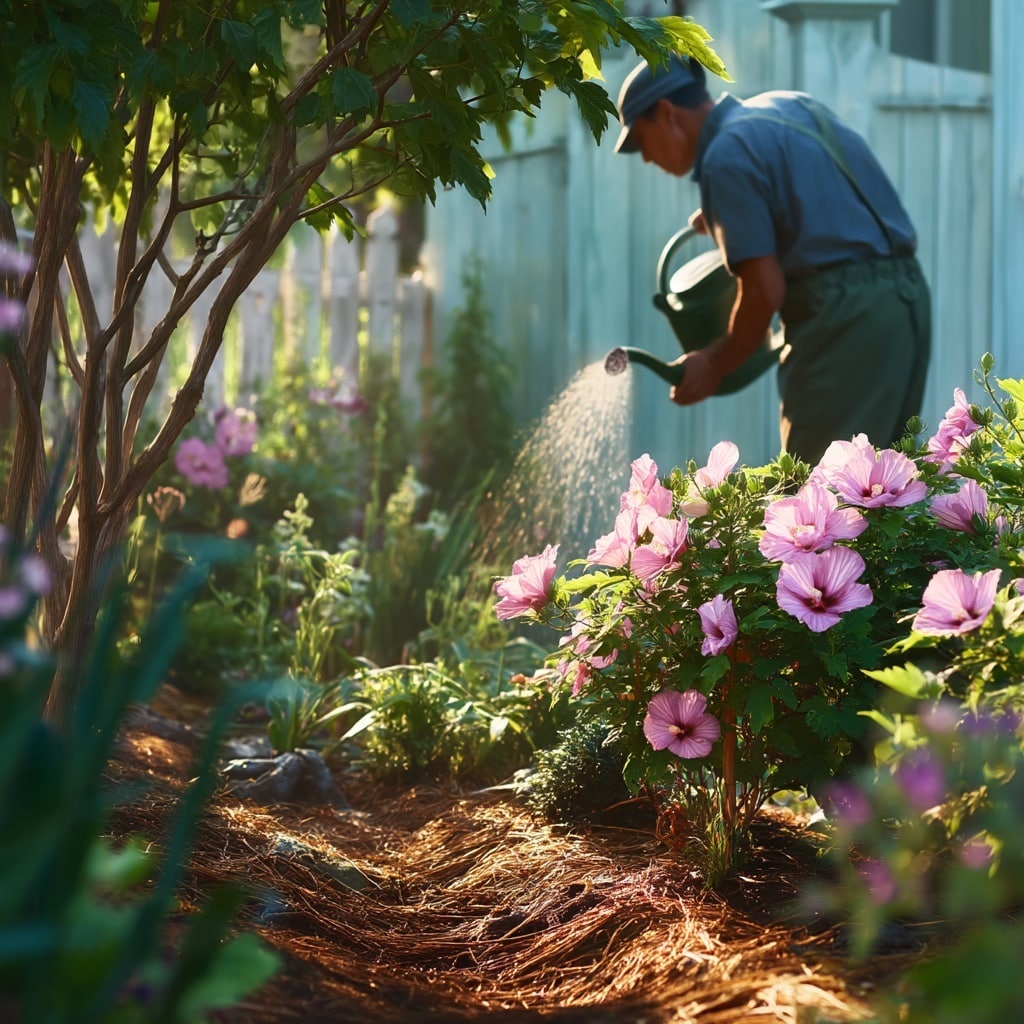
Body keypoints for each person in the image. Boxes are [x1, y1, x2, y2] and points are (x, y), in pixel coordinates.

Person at [614, 55, 931, 466]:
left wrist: (712, 364)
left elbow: (764, 292)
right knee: (886, 485)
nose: (644, 158)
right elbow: (825, 201)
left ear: (666, 113)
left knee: (818, 495)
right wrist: (738, 215)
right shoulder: (784, 105)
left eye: (641, 141)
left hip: (844, 321)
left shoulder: (725, 156)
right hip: (906, 302)